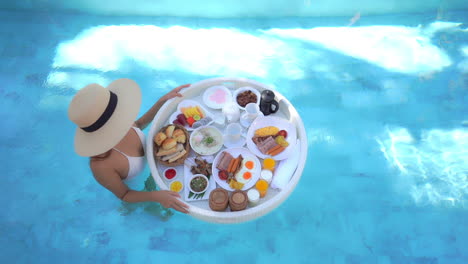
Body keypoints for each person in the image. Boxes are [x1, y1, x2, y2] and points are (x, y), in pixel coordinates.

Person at [68, 78, 190, 214]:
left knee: (160, 201)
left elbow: (139, 124)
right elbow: (125, 194)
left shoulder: (120, 122)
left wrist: (161, 102)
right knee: (152, 211)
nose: (122, 117)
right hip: (138, 191)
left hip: (153, 173)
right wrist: (155, 196)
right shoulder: (101, 166)